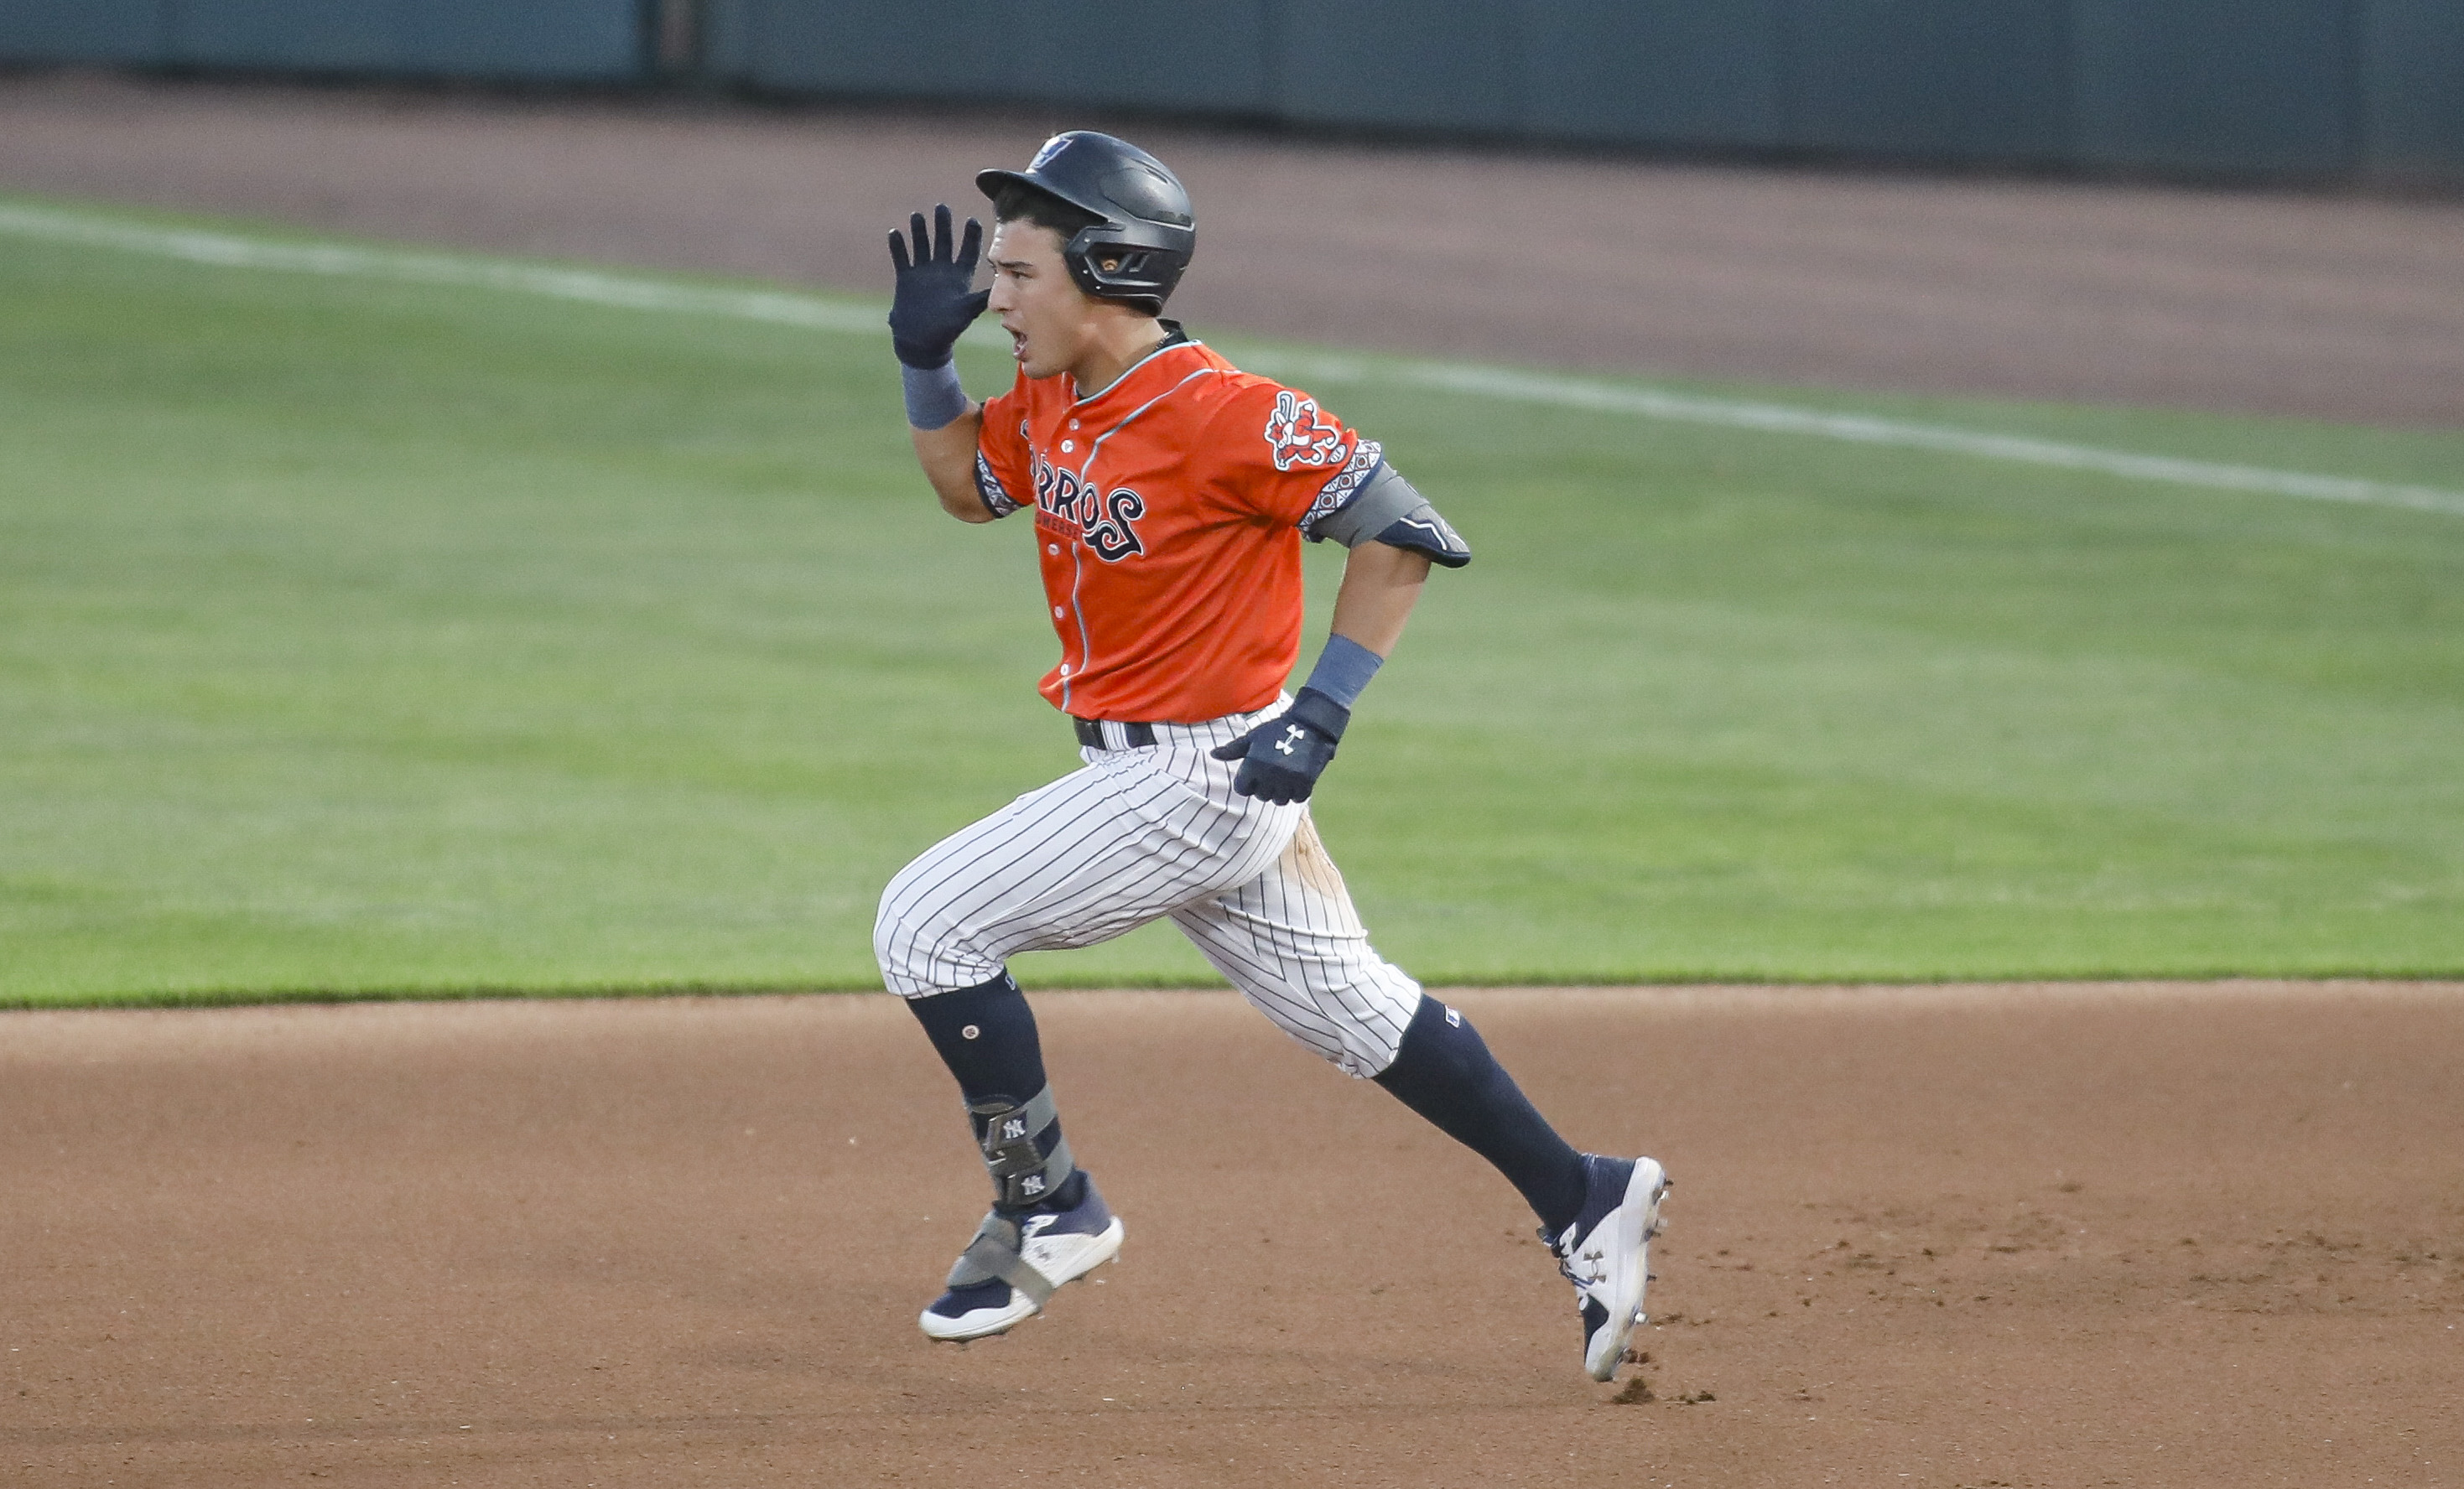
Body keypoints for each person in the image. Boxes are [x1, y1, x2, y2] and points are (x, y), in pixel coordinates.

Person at [876, 131, 1667, 1383]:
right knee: (1353, 1009)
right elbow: (970, 489)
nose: (994, 299)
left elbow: (1402, 529)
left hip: (1199, 776)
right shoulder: (1055, 398)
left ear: (1109, 272)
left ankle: (1051, 1204)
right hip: (1156, 775)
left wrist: (1327, 709)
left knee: (924, 925)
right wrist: (923, 361)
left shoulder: (1227, 412)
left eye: (1018, 276)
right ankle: (1581, 1192)